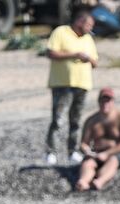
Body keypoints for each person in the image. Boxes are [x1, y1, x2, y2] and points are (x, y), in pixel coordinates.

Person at [45, 6, 99, 166]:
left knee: (76, 121)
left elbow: (96, 61)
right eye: (89, 25)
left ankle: (72, 151)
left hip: (82, 84)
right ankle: (51, 152)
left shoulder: (88, 39)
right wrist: (74, 54)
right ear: (80, 21)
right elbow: (50, 53)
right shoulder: (61, 32)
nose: (90, 28)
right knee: (58, 120)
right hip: (62, 84)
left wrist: (88, 59)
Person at [74, 87, 120, 192]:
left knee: (113, 160)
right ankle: (83, 182)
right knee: (88, 163)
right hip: (97, 153)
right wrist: (87, 151)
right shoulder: (92, 120)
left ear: (113, 102)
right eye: (103, 101)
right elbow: (84, 143)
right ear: (98, 102)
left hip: (118, 153)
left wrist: (107, 153)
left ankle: (99, 181)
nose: (105, 104)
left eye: (108, 101)